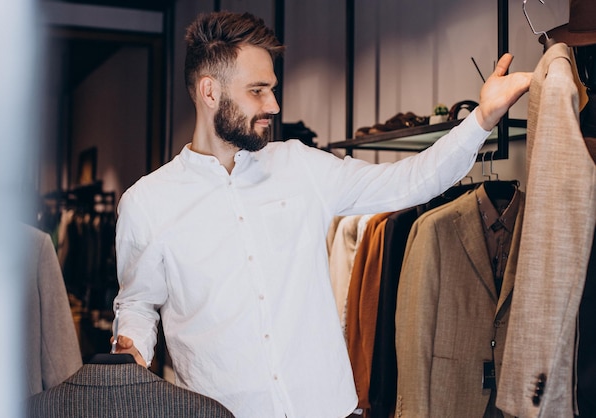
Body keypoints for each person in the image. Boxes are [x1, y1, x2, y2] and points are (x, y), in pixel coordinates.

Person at [112, 10, 531, 418]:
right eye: (257, 90)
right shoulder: (148, 203)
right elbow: (138, 304)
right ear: (209, 92)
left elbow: (410, 181)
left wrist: (483, 118)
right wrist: (131, 348)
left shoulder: (301, 167)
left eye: (273, 88)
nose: (273, 105)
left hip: (330, 409)